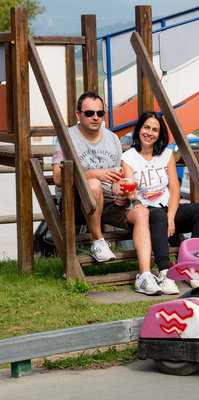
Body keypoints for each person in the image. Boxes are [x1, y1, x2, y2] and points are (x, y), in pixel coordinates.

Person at [52, 92, 158, 293]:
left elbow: (117, 175)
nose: (95, 117)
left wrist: (120, 190)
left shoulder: (111, 138)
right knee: (92, 184)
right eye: (89, 112)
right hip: (74, 201)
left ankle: (144, 276)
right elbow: (58, 177)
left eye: (99, 113)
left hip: (107, 199)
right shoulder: (66, 137)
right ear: (78, 114)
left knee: (142, 213)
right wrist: (94, 174)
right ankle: (98, 241)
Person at [122, 111, 199, 295]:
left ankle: (193, 266)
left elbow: (174, 189)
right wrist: (130, 195)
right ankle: (165, 273)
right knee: (157, 215)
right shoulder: (129, 157)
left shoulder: (166, 154)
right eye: (146, 127)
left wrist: (172, 217)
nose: (149, 132)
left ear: (159, 134)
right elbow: (130, 188)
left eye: (155, 130)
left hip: (167, 209)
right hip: (147, 210)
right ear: (139, 129)